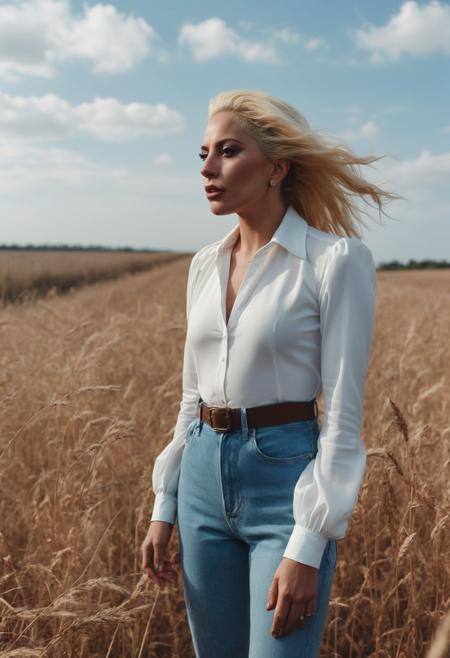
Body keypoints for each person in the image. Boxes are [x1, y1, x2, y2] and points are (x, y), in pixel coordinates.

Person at [141, 90, 401, 658]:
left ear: (277, 167)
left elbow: (343, 418)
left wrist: (308, 542)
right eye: (204, 153)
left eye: (228, 152)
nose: (208, 169)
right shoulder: (203, 265)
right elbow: (193, 398)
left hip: (285, 483)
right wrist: (166, 501)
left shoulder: (335, 261)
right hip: (202, 481)